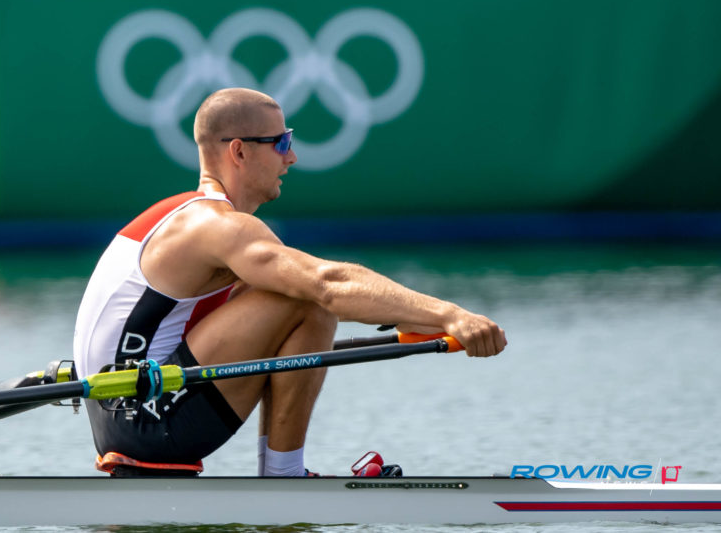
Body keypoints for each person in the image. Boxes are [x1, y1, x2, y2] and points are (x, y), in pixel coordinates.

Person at [73, 87, 506, 476]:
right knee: (305, 298)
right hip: (145, 416)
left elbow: (312, 304)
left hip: (125, 410)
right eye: (281, 143)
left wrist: (418, 319)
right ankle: (284, 475)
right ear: (239, 151)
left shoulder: (186, 216)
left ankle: (282, 475)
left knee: (287, 292)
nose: (292, 157)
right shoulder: (217, 226)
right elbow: (328, 283)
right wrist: (450, 314)